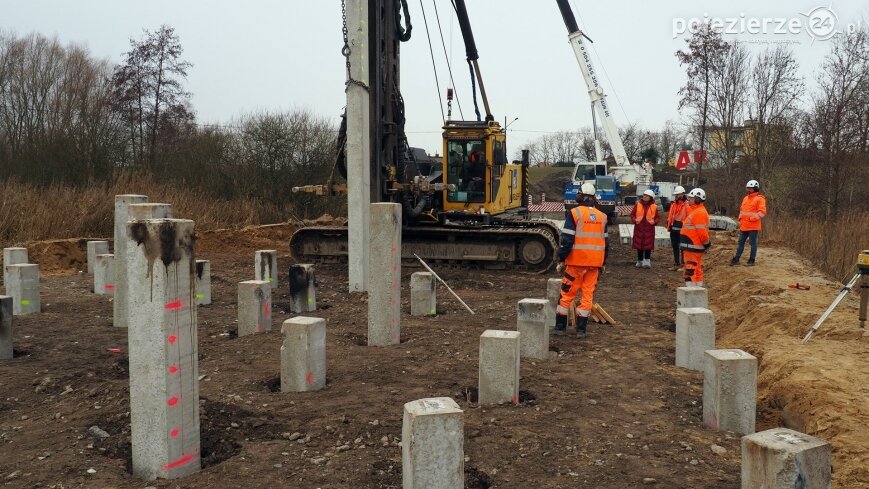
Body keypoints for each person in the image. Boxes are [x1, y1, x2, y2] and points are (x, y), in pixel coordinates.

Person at [554, 182, 608, 338]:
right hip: (594, 265)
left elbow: (567, 239)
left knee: (567, 294)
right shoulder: (602, 216)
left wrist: (561, 259)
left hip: (576, 263)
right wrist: (603, 263)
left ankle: (560, 328)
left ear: (583, 196)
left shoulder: (575, 213)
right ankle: (581, 331)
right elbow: (606, 243)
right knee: (587, 296)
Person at [730, 179, 767, 267]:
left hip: (753, 226)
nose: (748, 190)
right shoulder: (745, 198)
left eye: (750, 188)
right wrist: (740, 218)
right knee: (740, 243)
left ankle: (752, 260)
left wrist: (752, 218)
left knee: (753, 243)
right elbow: (742, 210)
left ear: (755, 188)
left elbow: (762, 212)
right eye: (747, 188)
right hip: (744, 226)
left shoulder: (760, 199)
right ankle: (736, 259)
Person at [680, 188, 711, 287]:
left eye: (691, 198)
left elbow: (702, 232)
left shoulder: (699, 213)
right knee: (696, 269)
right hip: (692, 245)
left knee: (690, 270)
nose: (688, 199)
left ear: (697, 199)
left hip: (692, 246)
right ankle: (697, 290)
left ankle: (691, 293)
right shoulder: (697, 211)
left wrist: (706, 243)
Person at [631, 189, 659, 268]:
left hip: (649, 229)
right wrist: (634, 220)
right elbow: (632, 214)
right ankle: (639, 260)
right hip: (639, 228)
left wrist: (654, 222)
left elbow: (657, 217)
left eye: (646, 196)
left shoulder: (654, 206)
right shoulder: (638, 204)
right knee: (639, 244)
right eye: (644, 195)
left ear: (650, 198)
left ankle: (647, 261)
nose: (644, 197)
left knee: (648, 245)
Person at [666, 186, 688, 271]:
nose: (676, 196)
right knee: (675, 247)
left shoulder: (686, 204)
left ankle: (683, 265)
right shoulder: (674, 204)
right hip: (673, 229)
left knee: (682, 248)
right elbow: (671, 216)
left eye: (678, 194)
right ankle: (676, 263)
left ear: (682, 194)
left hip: (682, 229)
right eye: (675, 194)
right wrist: (669, 226)